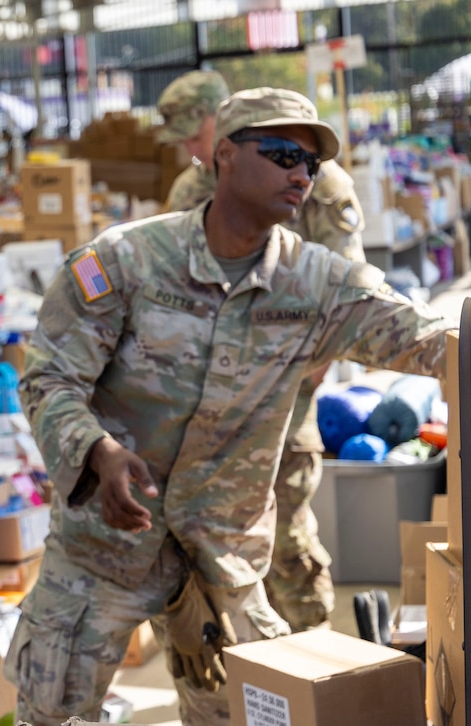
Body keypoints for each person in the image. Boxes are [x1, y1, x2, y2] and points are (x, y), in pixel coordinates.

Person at [3, 87, 456, 726]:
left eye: (311, 163)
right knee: (50, 713)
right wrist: (95, 450)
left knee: (251, 715)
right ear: (224, 156)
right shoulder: (127, 262)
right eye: (280, 154)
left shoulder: (318, 283)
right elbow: (49, 377)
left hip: (225, 558)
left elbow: (429, 339)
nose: (300, 173)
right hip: (105, 552)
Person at [158, 70, 367, 632]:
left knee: (285, 530)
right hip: (205, 396)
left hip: (285, 387)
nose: (189, 149)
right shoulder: (189, 190)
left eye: (191, 133)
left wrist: (299, 373)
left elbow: (344, 295)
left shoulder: (318, 186)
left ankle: (313, 665)